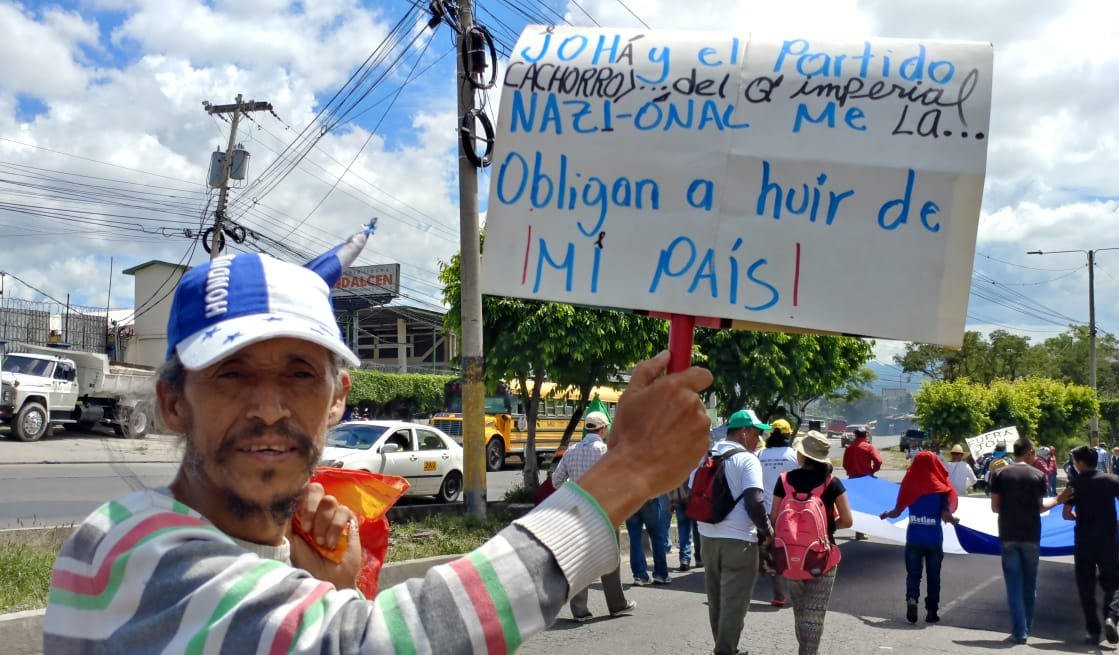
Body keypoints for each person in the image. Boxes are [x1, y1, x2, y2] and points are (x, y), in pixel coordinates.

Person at [43, 246, 716, 654]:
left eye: (299, 373)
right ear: (171, 401)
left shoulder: (258, 558)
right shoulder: (127, 547)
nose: (271, 405)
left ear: (337, 399)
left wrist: (319, 584)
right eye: (232, 372)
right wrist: (621, 474)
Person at [693, 408, 772, 655]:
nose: (760, 438)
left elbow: (688, 492)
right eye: (758, 433)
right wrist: (767, 531)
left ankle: (723, 645)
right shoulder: (747, 459)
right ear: (744, 432)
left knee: (716, 598)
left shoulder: (706, 455)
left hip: (706, 536)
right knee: (734, 602)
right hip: (739, 540)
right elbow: (755, 500)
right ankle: (726, 651)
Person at [772, 431, 853, 655]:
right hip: (822, 557)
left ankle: (804, 648)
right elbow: (847, 520)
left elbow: (773, 517)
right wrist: (828, 528)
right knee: (815, 613)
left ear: (803, 455)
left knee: (800, 609)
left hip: (789, 556)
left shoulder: (784, 480)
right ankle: (808, 652)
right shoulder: (832, 483)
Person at [552, 410, 637, 621]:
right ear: (603, 429)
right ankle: (617, 605)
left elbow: (556, 481)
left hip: (578, 513)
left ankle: (580, 610)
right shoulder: (606, 451)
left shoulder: (571, 451)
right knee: (610, 559)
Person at [990, 437, 1072, 644]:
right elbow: (1040, 507)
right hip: (1031, 535)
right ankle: (1026, 626)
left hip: (1008, 533)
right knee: (1029, 583)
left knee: (1014, 584)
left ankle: (1020, 631)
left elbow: (995, 507)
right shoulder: (1039, 475)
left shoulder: (999, 474)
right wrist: (1058, 500)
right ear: (1028, 452)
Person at [880, 451, 960, 624]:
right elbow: (946, 515)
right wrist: (954, 521)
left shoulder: (910, 484)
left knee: (913, 574)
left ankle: (911, 599)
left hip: (914, 538)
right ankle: (932, 612)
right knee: (934, 576)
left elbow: (896, 511)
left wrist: (885, 514)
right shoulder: (941, 488)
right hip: (934, 539)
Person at [1062, 445, 1119, 645]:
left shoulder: (1074, 483)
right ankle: (1110, 616)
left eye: (1075, 461)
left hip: (1084, 541)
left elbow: (1066, 514)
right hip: (1107, 540)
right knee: (1112, 582)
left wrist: (1078, 518)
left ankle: (1093, 630)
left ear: (1081, 463)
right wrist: (1118, 526)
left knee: (1086, 585)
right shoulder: (1112, 480)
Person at [758, 417, 798, 607]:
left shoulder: (760, 454)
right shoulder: (795, 455)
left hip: (766, 513)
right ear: (788, 434)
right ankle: (798, 591)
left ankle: (778, 595)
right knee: (793, 552)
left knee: (773, 553)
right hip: (791, 513)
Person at [842, 425, 881, 539]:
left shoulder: (849, 448)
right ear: (865, 435)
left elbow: (845, 464)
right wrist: (872, 471)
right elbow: (878, 461)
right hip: (865, 480)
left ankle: (858, 531)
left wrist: (850, 471)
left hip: (852, 480)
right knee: (864, 506)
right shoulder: (868, 447)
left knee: (854, 506)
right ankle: (861, 532)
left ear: (855, 435)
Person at [627, 492, 671, 585]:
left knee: (635, 540)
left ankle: (639, 576)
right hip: (649, 499)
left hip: (630, 500)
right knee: (657, 538)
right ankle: (661, 575)